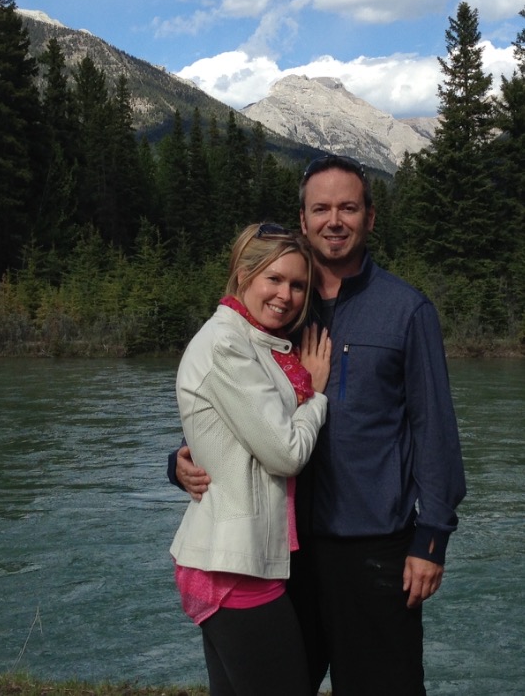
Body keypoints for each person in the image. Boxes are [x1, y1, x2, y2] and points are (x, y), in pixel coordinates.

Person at [169, 155, 467, 696]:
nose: (334, 220)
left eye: (348, 208)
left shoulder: (406, 311)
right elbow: (231, 405)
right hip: (283, 554)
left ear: (369, 218)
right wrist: (179, 459)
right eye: (321, 208)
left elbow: (436, 433)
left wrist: (432, 538)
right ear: (303, 220)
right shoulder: (281, 308)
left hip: (373, 550)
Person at [169, 222, 332, 696]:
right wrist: (315, 395)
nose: (286, 295)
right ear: (243, 274)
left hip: (241, 558)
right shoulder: (226, 343)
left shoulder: (255, 340)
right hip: (233, 566)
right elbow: (286, 454)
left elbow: (232, 432)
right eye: (273, 279)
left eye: (297, 284)